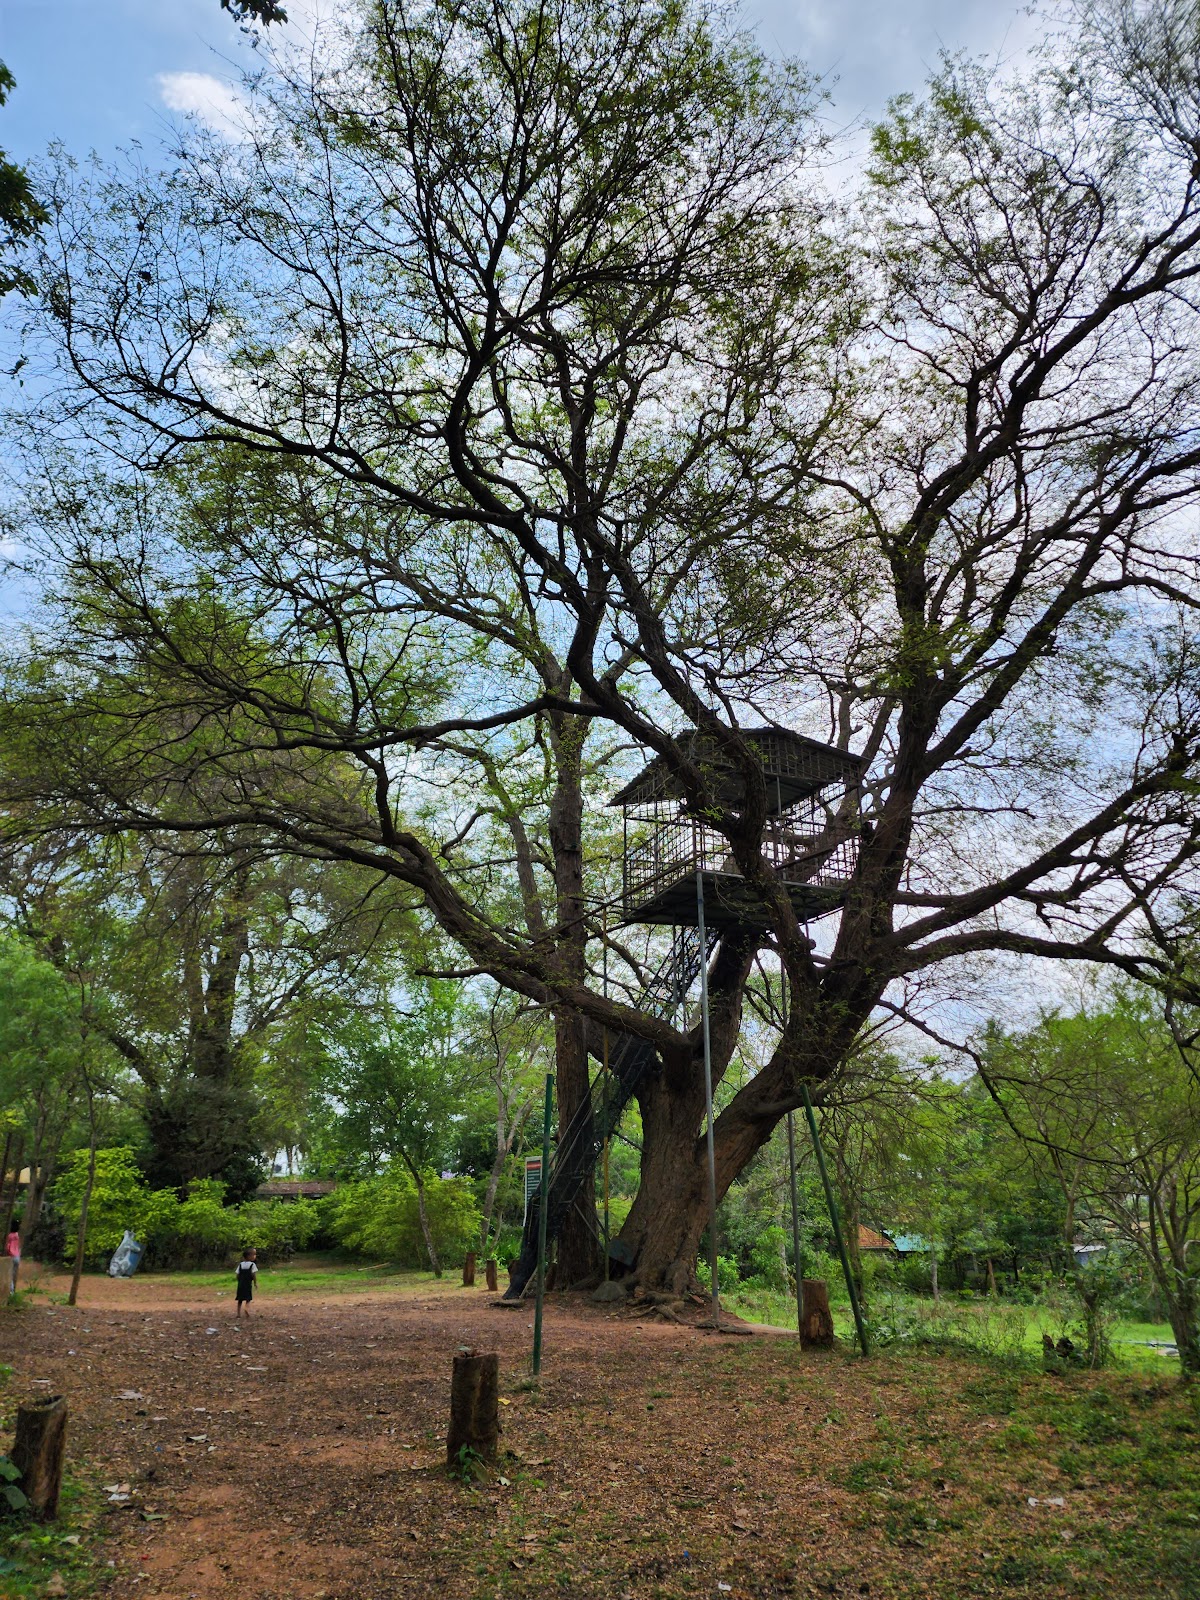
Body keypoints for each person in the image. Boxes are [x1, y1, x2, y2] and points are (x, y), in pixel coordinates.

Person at [234, 1246, 258, 1319]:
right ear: (249, 1256)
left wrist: (239, 1280)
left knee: (240, 1299)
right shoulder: (252, 1265)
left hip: (240, 1284)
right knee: (248, 1298)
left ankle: (238, 1314)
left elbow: (237, 1275)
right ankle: (246, 1308)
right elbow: (253, 1274)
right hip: (248, 1284)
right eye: (254, 1254)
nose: (255, 1256)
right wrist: (255, 1283)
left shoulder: (240, 1264)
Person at [4, 1227, 20, 1297]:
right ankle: (13, 1291)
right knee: (14, 1274)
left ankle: (11, 1292)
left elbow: (8, 1247)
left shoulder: (10, 1235)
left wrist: (7, 1253)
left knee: (9, 1274)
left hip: (11, 1256)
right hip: (17, 1256)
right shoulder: (17, 1235)